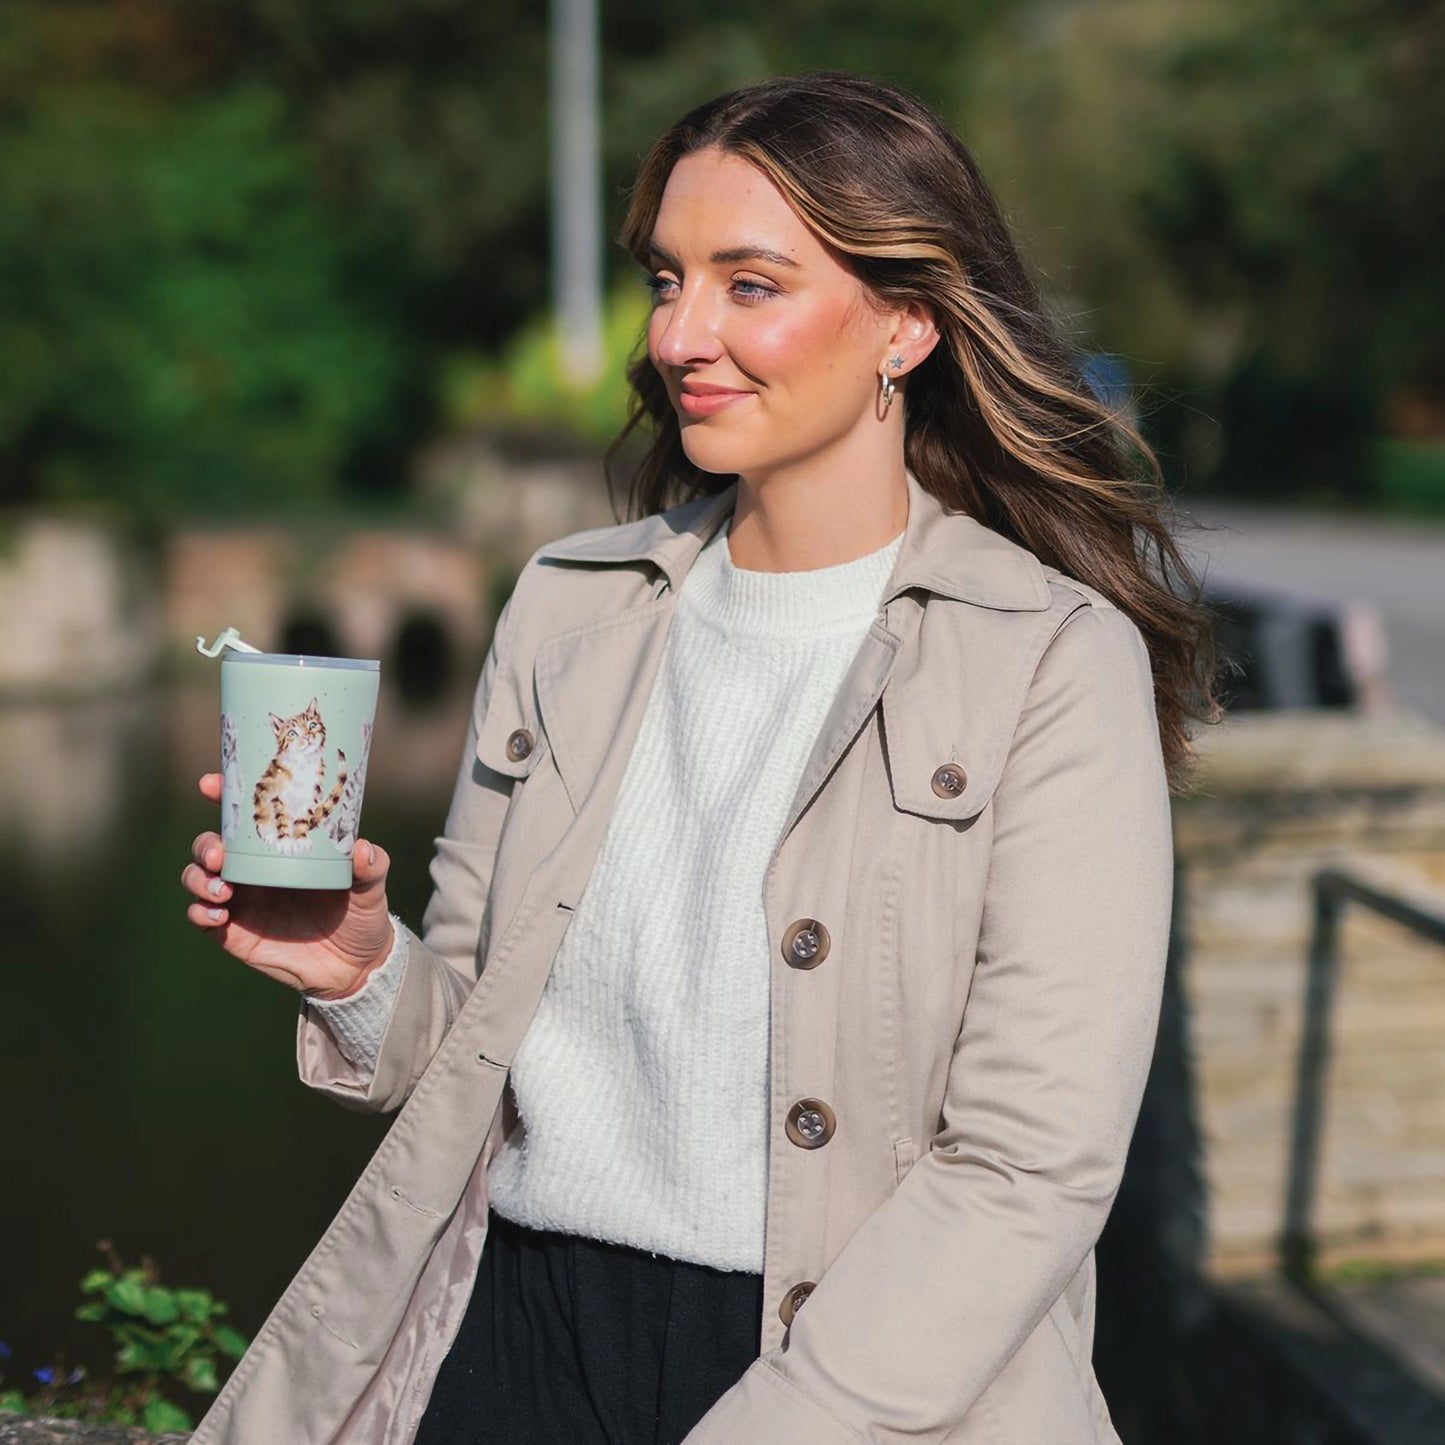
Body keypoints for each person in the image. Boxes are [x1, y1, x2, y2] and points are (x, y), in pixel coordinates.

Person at [181, 73, 1216, 1445]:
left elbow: (1027, 1170)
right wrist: (362, 970)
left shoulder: (1042, 658)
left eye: (749, 285)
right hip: (513, 1342)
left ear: (903, 324)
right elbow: (478, 1051)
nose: (679, 335)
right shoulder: (569, 601)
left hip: (853, 1383)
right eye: (668, 280)